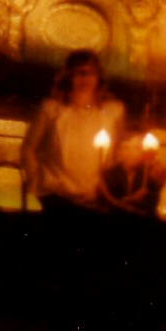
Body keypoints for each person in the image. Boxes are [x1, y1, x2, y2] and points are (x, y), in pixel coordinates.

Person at [20, 49, 127, 214]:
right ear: (68, 77)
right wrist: (39, 183)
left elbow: (118, 150)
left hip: (97, 197)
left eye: (89, 73)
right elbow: (29, 147)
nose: (84, 78)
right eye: (78, 73)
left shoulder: (112, 111)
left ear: (98, 77)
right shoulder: (52, 110)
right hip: (58, 197)